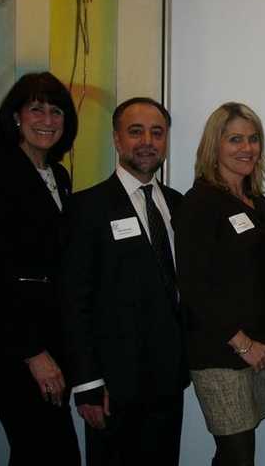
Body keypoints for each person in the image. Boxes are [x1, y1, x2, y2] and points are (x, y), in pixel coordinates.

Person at [61, 97, 189, 465]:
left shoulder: (178, 206)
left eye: (157, 132)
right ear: (117, 140)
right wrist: (86, 385)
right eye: (136, 132)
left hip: (168, 381)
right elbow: (74, 302)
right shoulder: (87, 208)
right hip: (113, 388)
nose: (147, 141)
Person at [0, 71, 81, 465]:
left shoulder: (58, 176)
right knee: (49, 449)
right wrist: (34, 353)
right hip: (12, 340)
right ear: (16, 117)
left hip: (51, 335)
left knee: (37, 450)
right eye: (36, 110)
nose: (47, 120)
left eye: (56, 112)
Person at [173, 102, 265, 466]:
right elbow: (193, 286)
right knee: (237, 454)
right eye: (235, 139)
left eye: (253, 139)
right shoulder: (199, 202)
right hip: (220, 351)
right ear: (215, 146)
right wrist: (241, 344)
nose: (247, 148)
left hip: (261, 345)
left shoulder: (258, 202)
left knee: (239, 454)